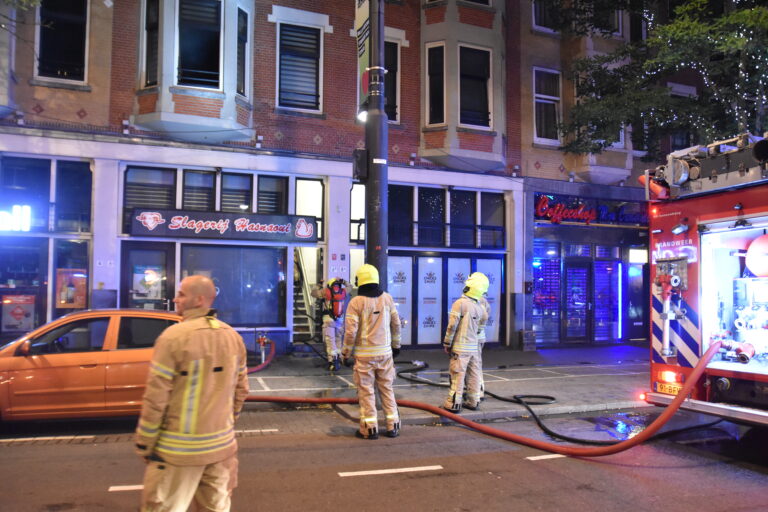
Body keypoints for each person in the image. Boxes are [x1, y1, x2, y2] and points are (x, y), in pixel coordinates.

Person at [135, 275, 250, 512]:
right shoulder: (233, 337)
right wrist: (226, 423)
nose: (175, 299)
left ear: (198, 300)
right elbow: (241, 391)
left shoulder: (173, 338)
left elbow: (156, 400)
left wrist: (145, 444)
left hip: (177, 455)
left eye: (181, 294)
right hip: (222, 450)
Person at [341, 263, 402, 439]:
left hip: (364, 356)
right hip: (385, 354)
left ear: (360, 281)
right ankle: (393, 426)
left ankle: (369, 429)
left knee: (366, 392)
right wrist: (396, 346)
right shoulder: (387, 299)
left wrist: (346, 353)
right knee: (387, 389)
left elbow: (351, 332)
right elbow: (396, 324)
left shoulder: (355, 302)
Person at [442, 272, 489, 413]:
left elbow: (452, 327)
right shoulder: (480, 307)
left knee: (458, 375)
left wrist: (447, 343)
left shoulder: (459, 304)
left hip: (460, 348)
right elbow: (481, 327)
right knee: (474, 374)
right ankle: (473, 401)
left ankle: (454, 404)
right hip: (474, 347)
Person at [311, 277, 349, 372]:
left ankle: (333, 362)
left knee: (330, 341)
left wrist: (318, 285)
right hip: (340, 320)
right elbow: (351, 286)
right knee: (338, 339)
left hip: (329, 319)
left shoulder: (325, 292)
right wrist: (343, 281)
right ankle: (339, 358)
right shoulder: (344, 291)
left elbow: (313, 293)